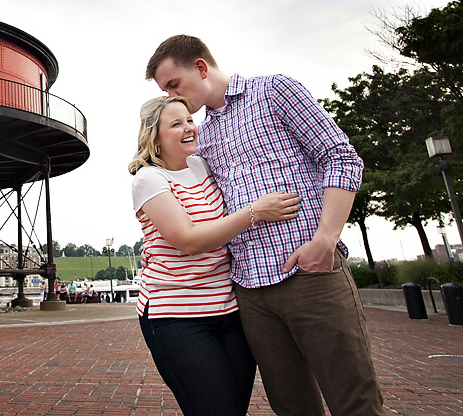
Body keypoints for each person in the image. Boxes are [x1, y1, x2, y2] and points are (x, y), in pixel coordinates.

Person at [146, 35, 385, 416]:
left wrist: (325, 240)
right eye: (164, 90)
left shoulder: (274, 91)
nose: (171, 95)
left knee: (353, 399)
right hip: (250, 292)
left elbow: (341, 157)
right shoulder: (201, 136)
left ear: (202, 68)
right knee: (291, 406)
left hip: (309, 273)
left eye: (173, 84)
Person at [129, 95, 300, 416]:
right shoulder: (149, 179)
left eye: (189, 120)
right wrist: (256, 212)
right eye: (176, 124)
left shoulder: (203, 164)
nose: (188, 128)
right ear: (155, 138)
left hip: (231, 311)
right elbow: (189, 240)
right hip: (177, 316)